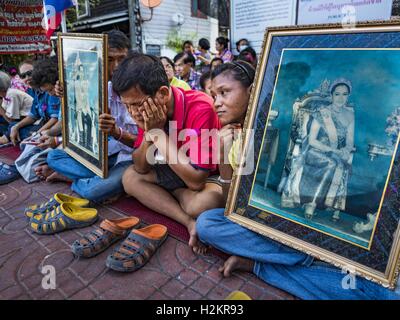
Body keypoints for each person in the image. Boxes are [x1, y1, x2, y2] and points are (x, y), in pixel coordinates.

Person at [195, 63, 399, 300]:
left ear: (252, 90)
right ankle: (302, 256)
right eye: (213, 95)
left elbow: (345, 142)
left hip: (298, 212)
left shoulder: (272, 122)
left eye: (223, 92)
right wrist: (224, 158)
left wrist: (340, 152)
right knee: (207, 223)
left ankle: (274, 262)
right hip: (274, 226)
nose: (216, 102)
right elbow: (233, 209)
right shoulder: (231, 136)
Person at [112, 53, 220, 252]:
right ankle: (187, 221)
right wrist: (149, 132)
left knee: (203, 204)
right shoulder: (149, 109)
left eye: (136, 105)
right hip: (174, 170)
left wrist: (158, 134)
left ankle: (173, 194)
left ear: (162, 93)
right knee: (129, 179)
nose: (132, 112)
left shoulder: (201, 107)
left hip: (204, 177)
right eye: (127, 106)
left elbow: (196, 181)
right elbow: (140, 167)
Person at [45, 30, 138, 203]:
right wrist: (64, 89)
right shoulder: (103, 87)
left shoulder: (140, 89)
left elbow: (145, 144)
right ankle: (107, 182)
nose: (117, 66)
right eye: (110, 59)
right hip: (109, 153)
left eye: (121, 59)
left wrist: (117, 132)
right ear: (100, 59)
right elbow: (77, 95)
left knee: (93, 191)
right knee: (53, 157)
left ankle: (79, 180)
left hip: (133, 160)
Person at [280, 78, 355, 221]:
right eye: (337, 94)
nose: (341, 98)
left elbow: (350, 141)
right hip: (314, 150)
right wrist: (332, 151)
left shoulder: (350, 115)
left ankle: (325, 204)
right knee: (332, 163)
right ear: (332, 95)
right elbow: (312, 140)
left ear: (348, 96)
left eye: (344, 94)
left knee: (339, 164)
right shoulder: (321, 112)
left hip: (336, 153)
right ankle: (311, 203)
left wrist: (345, 150)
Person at [6, 57, 60, 146]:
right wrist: (16, 126)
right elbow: (33, 115)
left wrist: (37, 134)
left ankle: (6, 139)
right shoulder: (34, 91)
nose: (27, 78)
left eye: (29, 73)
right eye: (23, 76)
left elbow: (55, 119)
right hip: (45, 127)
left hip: (50, 128)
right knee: (14, 126)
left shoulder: (51, 89)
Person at [0, 71, 33, 144]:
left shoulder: (11, 94)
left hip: (31, 121)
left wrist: (1, 110)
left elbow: (12, 120)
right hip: (21, 119)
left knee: (13, 125)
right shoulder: (5, 95)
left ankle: (5, 138)